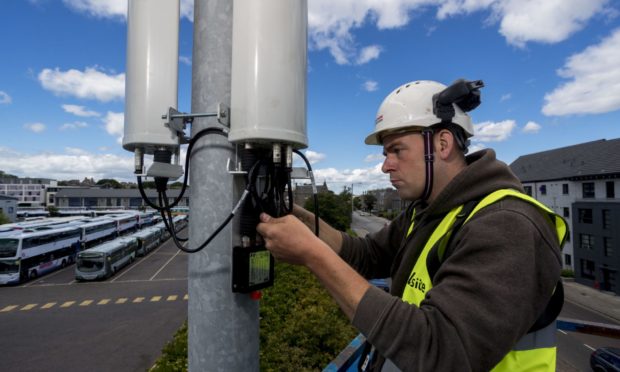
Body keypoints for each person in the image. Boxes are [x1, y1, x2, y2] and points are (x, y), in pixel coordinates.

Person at [256, 79, 566, 371]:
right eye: (385, 153)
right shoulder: (430, 210)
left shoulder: (507, 225)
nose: (385, 165)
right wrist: (301, 218)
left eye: (397, 150)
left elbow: (440, 351)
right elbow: (365, 255)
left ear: (442, 144)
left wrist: (312, 254)